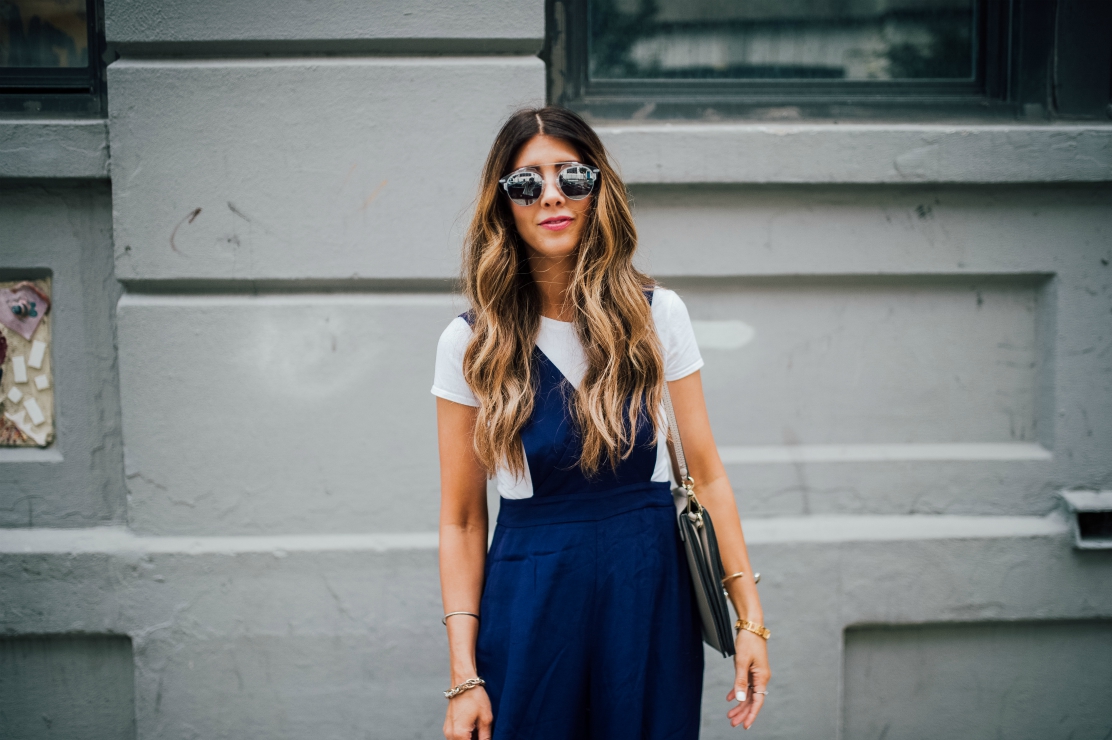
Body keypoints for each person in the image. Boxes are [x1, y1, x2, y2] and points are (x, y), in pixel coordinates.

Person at [432, 106, 770, 740]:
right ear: (503, 203)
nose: (552, 195)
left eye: (572, 176)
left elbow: (707, 473)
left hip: (647, 590)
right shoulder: (470, 343)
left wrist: (749, 618)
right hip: (531, 595)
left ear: (599, 189)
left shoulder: (656, 315)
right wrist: (463, 675)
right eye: (527, 182)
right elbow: (462, 519)